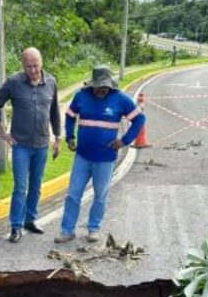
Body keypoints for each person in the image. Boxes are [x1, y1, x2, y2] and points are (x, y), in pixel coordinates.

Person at [56, 65, 146, 244]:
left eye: (104, 87)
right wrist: (70, 137)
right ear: (92, 85)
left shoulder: (120, 99)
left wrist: (124, 140)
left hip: (105, 159)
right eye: (98, 87)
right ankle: (67, 230)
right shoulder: (81, 96)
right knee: (73, 194)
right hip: (82, 156)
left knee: (100, 195)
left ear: (110, 86)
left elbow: (140, 119)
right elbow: (70, 115)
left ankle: (93, 228)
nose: (100, 90)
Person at [0, 47, 61, 243]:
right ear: (23, 65)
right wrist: (2, 132)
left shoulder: (52, 82)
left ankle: (31, 219)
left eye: (35, 66)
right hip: (21, 145)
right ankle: (15, 225)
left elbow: (55, 111)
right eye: (28, 66)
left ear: (42, 63)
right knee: (21, 187)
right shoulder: (14, 82)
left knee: (36, 186)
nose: (32, 70)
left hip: (42, 143)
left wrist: (58, 138)